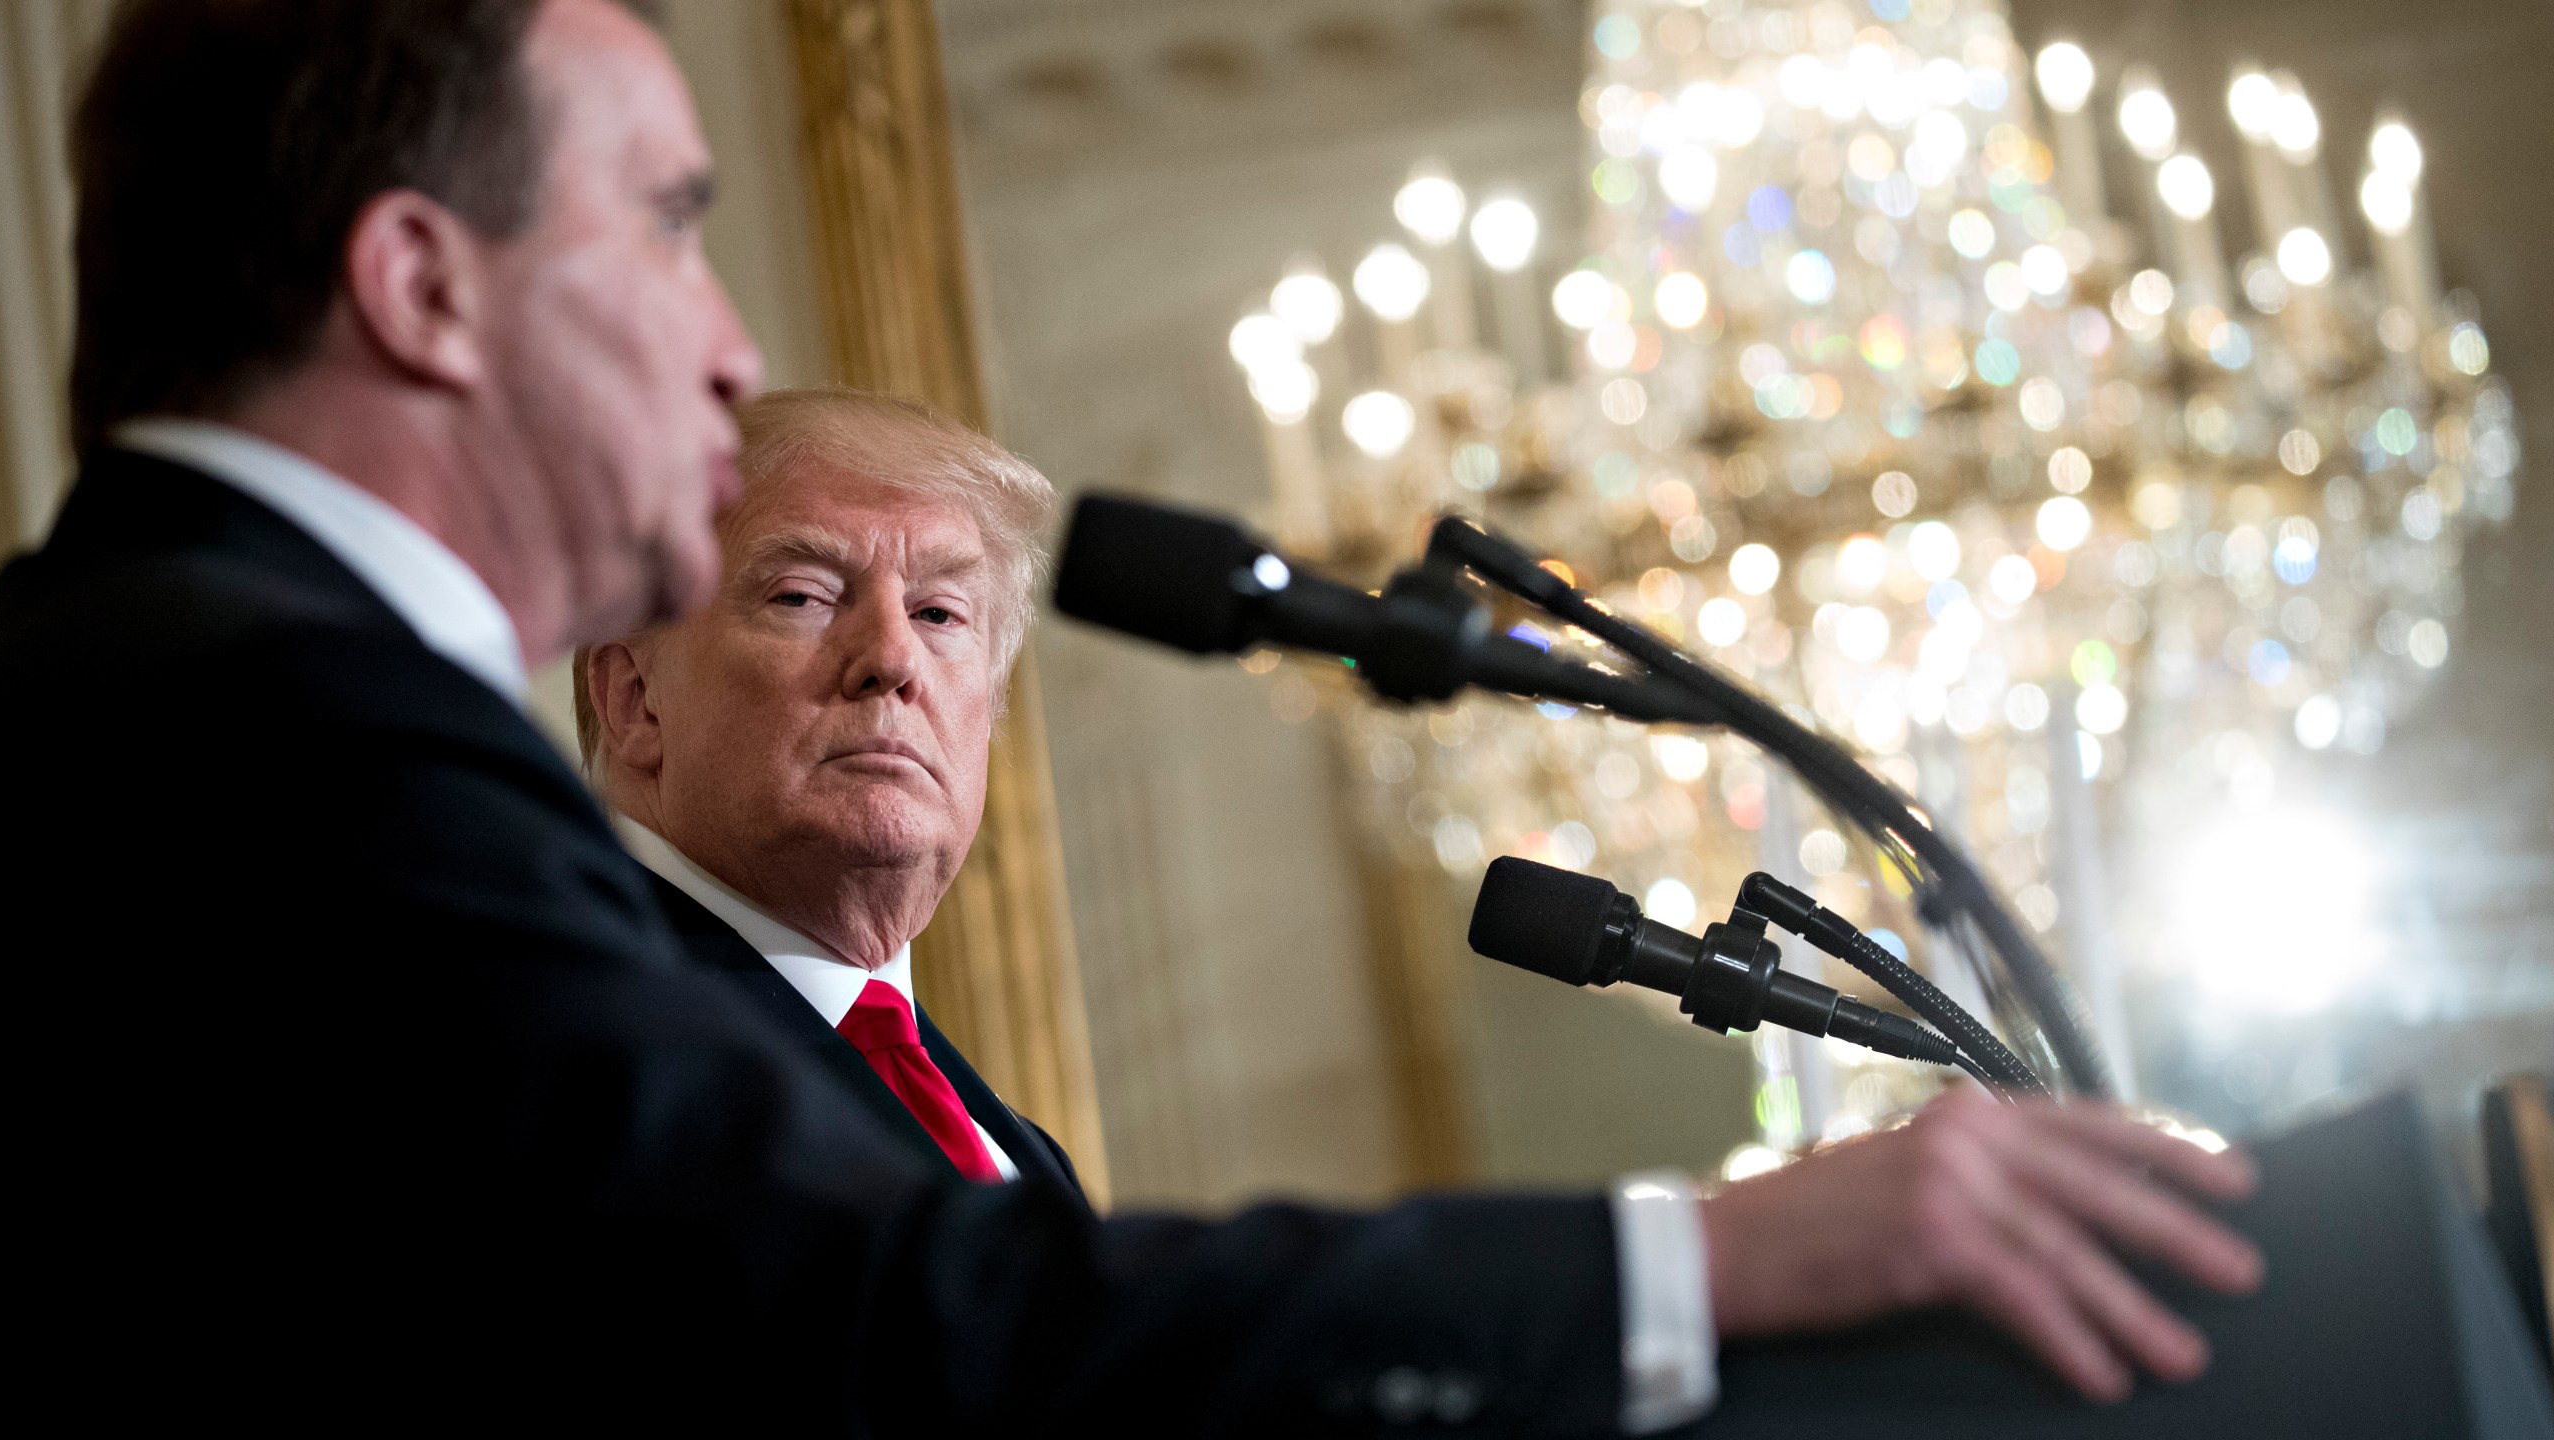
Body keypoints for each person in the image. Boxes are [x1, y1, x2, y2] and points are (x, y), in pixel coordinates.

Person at [0, 0, 2258, 1427]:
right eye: (671, 226)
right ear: (417, 281)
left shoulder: (196, 682)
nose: (713, 341)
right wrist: (1705, 1256)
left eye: (949, 614)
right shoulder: (258, 726)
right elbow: (874, 1317)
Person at [578, 387, 2269, 1425]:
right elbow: (996, 1342)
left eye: (948, 619)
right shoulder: (593, 1030)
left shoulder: (970, 1116)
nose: (891, 658)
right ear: (627, 704)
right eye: (804, 592)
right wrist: (1690, 1263)